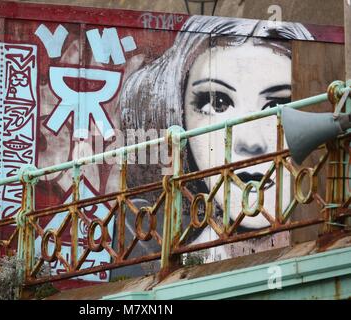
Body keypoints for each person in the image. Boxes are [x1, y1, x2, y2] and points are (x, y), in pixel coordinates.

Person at [116, 15, 315, 266]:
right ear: (180, 116)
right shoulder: (167, 259)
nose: (250, 142)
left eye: (277, 105)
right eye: (217, 103)